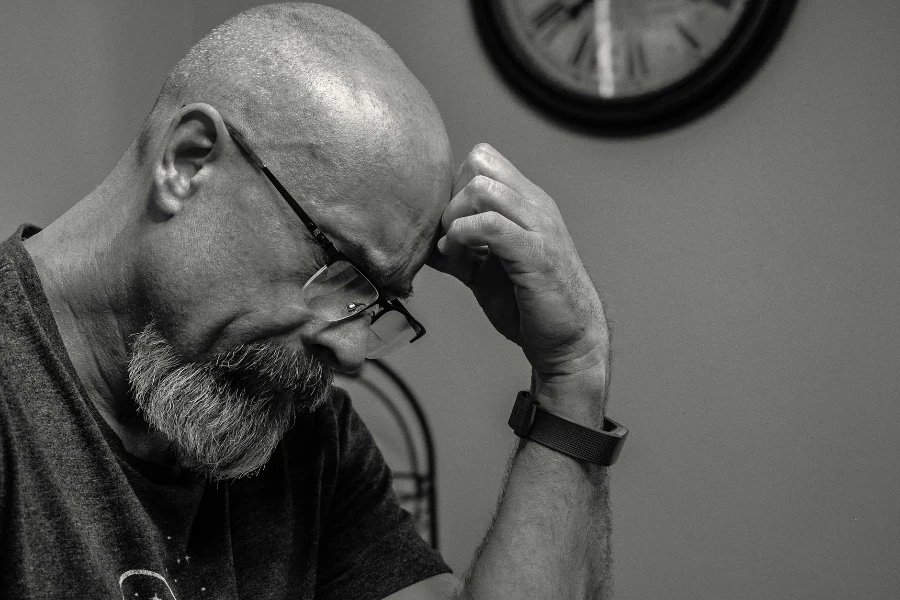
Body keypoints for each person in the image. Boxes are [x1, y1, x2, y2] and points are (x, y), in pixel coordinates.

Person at [0, 3, 619, 599]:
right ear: (188, 162)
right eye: (341, 269)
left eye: (378, 302)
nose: (352, 353)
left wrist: (570, 371)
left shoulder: (304, 438)